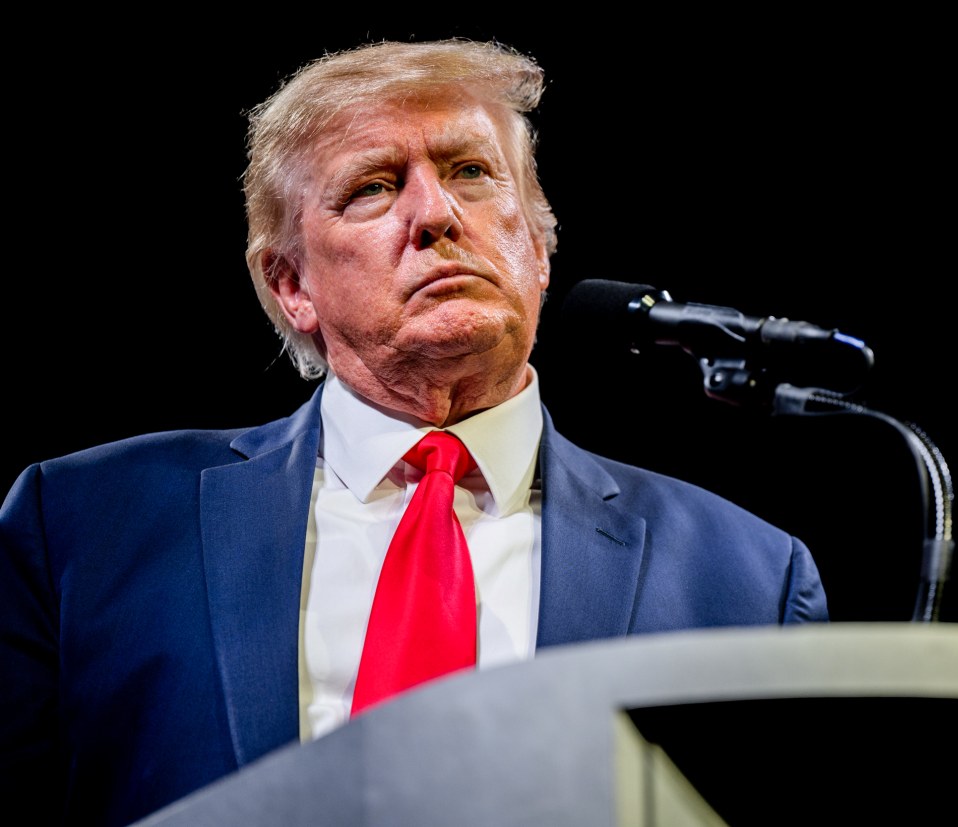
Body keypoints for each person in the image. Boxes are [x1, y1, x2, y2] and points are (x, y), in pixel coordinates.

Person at [0, 38, 828, 827]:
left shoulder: (746, 578)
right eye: (373, 186)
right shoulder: (83, 525)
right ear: (292, 286)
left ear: (538, 248)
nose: (436, 213)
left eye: (471, 172)